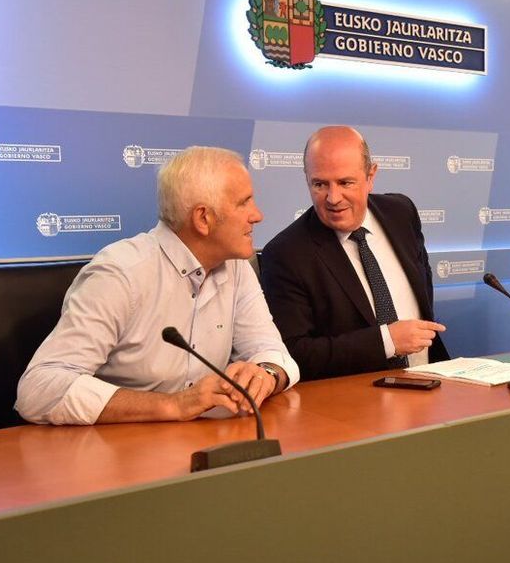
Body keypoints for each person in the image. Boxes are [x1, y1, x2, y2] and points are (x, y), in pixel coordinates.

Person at [16, 146, 299, 425]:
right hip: (116, 452)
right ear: (203, 218)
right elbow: (40, 389)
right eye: (243, 203)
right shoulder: (121, 274)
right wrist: (173, 404)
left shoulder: (235, 265)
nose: (257, 215)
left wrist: (266, 374)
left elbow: (271, 350)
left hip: (201, 442)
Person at [260, 126, 448, 380]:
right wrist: (386, 341)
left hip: (430, 382)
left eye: (345, 182)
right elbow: (294, 354)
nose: (333, 198)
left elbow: (422, 293)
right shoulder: (286, 254)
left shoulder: (401, 213)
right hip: (354, 404)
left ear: (371, 176)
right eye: (320, 184)